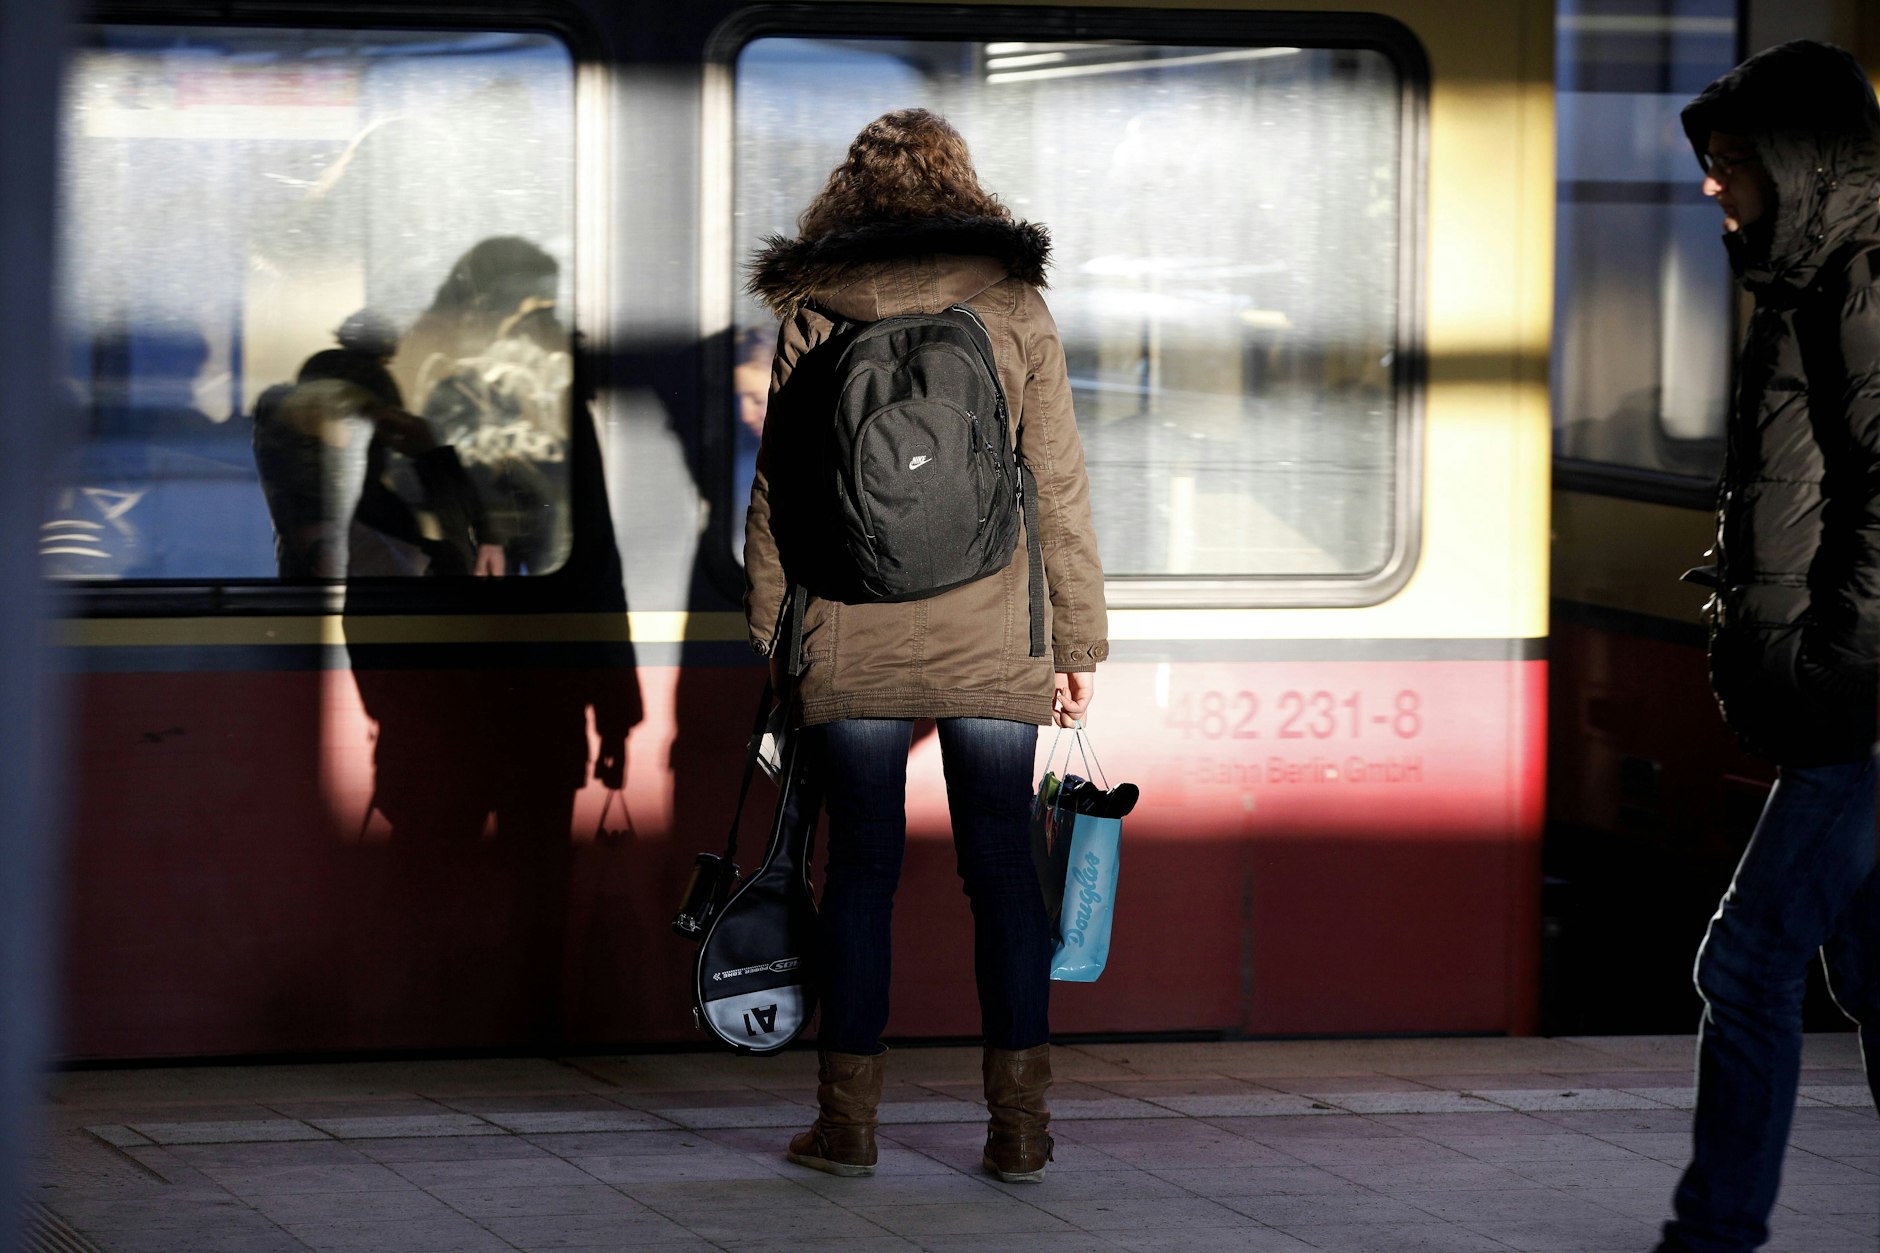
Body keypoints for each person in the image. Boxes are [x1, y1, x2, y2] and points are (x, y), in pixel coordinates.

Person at [743, 108, 1107, 1183]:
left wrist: (775, 637)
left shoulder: (816, 306)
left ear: (847, 195)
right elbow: (1058, 482)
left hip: (846, 626)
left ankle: (846, 1127)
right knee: (1001, 869)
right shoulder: (1012, 302)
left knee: (858, 871)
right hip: (995, 630)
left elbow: (779, 489)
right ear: (963, 187)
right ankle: (1019, 1129)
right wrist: (1077, 640)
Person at [1661, 40, 1880, 1253]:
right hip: (1846, 698)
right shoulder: (1809, 279)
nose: (1710, 184)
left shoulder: (1861, 282)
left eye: (1730, 160)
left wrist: (1838, 670)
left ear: (1799, 164)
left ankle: (1712, 1235)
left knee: (1744, 964)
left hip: (1862, 706)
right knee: (1869, 974)